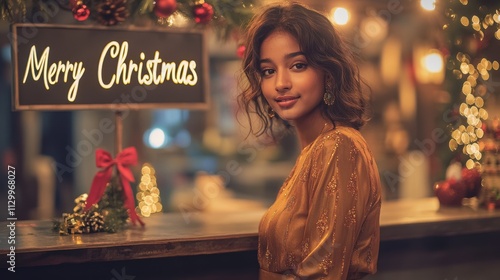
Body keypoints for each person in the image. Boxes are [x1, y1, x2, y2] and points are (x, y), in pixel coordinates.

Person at [237, 2, 382, 279]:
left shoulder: (339, 146)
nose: (281, 82)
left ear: (328, 72)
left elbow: (322, 273)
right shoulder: (315, 149)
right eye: (268, 71)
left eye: (298, 65)